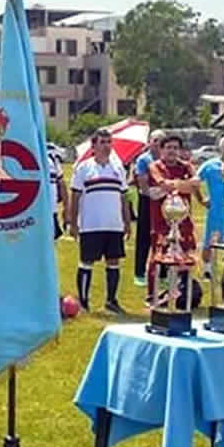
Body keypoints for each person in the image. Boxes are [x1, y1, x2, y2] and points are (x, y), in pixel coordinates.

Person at [70, 128, 130, 314]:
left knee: (113, 261)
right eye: (102, 142)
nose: (106, 146)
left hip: (113, 224)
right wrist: (73, 223)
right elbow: (75, 196)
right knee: (86, 261)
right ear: (93, 146)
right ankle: (84, 301)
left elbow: (123, 197)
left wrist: (127, 222)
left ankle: (111, 300)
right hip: (91, 224)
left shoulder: (118, 168)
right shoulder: (84, 168)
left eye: (109, 142)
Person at [147, 134, 199, 304]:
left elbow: (195, 184)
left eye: (175, 148)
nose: (172, 151)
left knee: (186, 257)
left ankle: (182, 292)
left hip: (184, 222)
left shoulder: (187, 166)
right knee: (159, 258)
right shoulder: (155, 166)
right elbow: (163, 183)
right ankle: (153, 295)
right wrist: (182, 185)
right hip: (162, 223)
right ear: (161, 150)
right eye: (168, 147)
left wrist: (173, 185)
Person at [196, 134, 224, 280]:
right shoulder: (210, 165)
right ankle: (207, 270)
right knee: (209, 241)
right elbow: (195, 182)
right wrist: (201, 200)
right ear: (220, 149)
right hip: (216, 211)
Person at [132, 130, 164, 286]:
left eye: (161, 140)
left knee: (164, 236)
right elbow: (141, 180)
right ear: (150, 141)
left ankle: (163, 270)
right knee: (144, 236)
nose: (158, 143)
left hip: (164, 201)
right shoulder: (144, 160)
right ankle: (139, 272)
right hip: (147, 200)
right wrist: (150, 193)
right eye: (155, 140)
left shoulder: (166, 160)